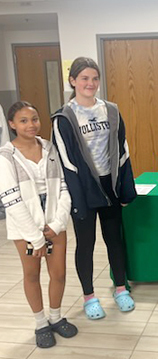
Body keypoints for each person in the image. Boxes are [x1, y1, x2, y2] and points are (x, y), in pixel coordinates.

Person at [52, 57, 137, 320]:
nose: (90, 83)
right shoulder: (64, 117)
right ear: (73, 81)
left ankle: (121, 288)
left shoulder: (111, 110)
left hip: (108, 185)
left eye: (94, 78)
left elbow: (122, 151)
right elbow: (65, 162)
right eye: (85, 78)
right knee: (85, 244)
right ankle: (89, 296)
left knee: (115, 239)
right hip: (83, 188)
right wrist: (76, 199)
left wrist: (125, 189)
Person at [0, 101, 77, 348]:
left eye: (34, 119)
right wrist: (36, 237)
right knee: (32, 275)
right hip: (26, 227)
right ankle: (40, 323)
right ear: (12, 124)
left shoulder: (50, 147)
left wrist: (57, 223)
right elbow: (11, 201)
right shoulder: (5, 156)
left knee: (59, 273)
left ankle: (55, 318)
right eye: (23, 120)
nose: (31, 125)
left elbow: (65, 187)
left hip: (54, 222)